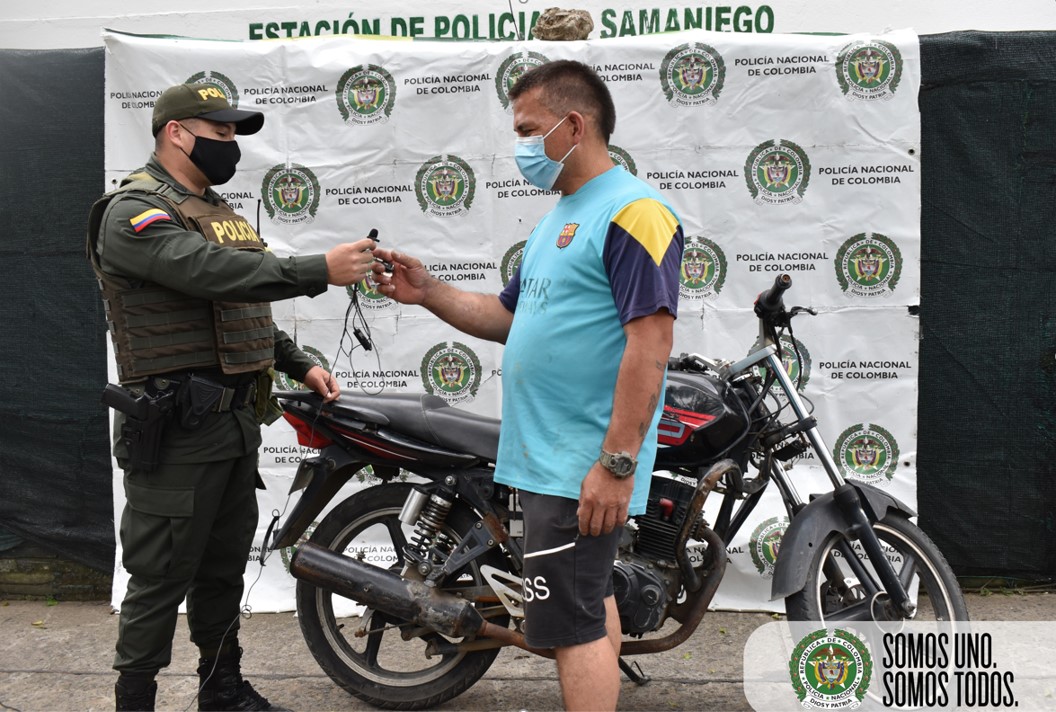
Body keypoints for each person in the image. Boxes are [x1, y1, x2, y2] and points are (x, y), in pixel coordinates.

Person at [371, 60, 684, 711]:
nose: (518, 146)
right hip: (548, 460)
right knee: (587, 605)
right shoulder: (561, 217)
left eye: (526, 129)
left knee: (573, 626)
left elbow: (650, 345)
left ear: (573, 126)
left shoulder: (635, 213)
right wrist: (427, 291)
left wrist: (615, 463)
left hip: (580, 464)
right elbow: (508, 318)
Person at [86, 83, 378, 711]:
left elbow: (239, 306)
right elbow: (208, 271)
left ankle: (221, 689)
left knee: (222, 569)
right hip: (176, 430)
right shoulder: (133, 212)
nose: (231, 145)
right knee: (161, 574)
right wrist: (317, 269)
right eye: (219, 133)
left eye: (233, 134)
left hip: (234, 424)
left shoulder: (217, 211)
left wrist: (298, 363)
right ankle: (134, 700)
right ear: (175, 132)